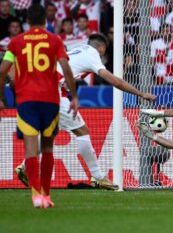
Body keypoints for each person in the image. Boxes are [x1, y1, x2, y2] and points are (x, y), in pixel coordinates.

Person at [15, 33, 156, 190]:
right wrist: (141, 94)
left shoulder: (79, 49)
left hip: (41, 87)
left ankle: (25, 166)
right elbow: (116, 81)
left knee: (50, 134)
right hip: (52, 90)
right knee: (82, 131)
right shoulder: (92, 55)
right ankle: (98, 177)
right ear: (101, 48)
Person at [0, 4, 79, 208]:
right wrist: (74, 96)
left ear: (27, 21)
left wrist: (1, 97)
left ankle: (36, 196)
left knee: (30, 149)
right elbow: (66, 66)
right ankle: (46, 195)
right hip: (50, 100)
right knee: (47, 147)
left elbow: (2, 71)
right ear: (45, 21)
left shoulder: (16, 42)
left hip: (26, 101)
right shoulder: (54, 40)